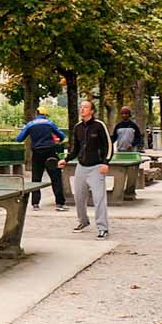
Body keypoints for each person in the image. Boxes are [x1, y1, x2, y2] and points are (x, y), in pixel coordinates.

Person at [59, 100, 112, 239]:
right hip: (81, 167)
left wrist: (105, 163)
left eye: (85, 107)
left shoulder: (99, 126)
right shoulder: (78, 128)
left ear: (92, 110)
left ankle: (102, 227)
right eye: (81, 107)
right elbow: (75, 148)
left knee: (99, 198)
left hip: (96, 167)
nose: (82, 109)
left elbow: (108, 145)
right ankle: (83, 221)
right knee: (79, 197)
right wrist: (66, 159)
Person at [15, 109, 67, 212]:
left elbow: (19, 138)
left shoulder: (30, 124)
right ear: (45, 115)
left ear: (36, 114)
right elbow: (62, 136)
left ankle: (35, 203)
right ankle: (60, 203)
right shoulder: (49, 123)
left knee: (36, 178)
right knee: (56, 177)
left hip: (37, 153)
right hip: (50, 152)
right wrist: (57, 141)